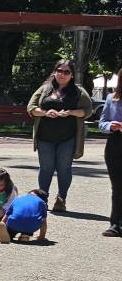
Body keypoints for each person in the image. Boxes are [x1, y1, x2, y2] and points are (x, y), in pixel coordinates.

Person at [27, 59, 92, 213]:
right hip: (45, 136)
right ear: (55, 72)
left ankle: (61, 199)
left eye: (67, 72)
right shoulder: (44, 89)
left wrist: (70, 112)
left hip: (68, 138)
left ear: (72, 75)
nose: (62, 74)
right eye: (60, 71)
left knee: (64, 169)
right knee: (46, 168)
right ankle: (42, 199)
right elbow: (31, 108)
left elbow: (87, 111)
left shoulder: (78, 91)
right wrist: (45, 112)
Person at [98, 75, 122, 236]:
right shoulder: (111, 98)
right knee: (118, 186)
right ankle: (115, 224)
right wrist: (110, 125)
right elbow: (102, 122)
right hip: (115, 144)